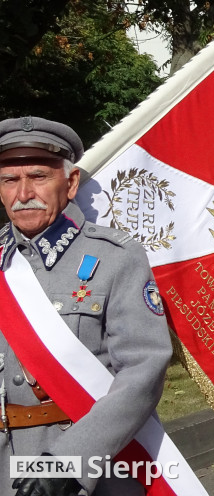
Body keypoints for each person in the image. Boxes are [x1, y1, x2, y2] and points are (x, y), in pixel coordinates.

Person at [0, 117, 172, 496]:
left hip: (92, 470)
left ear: (71, 183)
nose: (23, 193)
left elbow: (145, 367)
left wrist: (71, 460)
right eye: (9, 180)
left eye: (39, 176)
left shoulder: (116, 256)